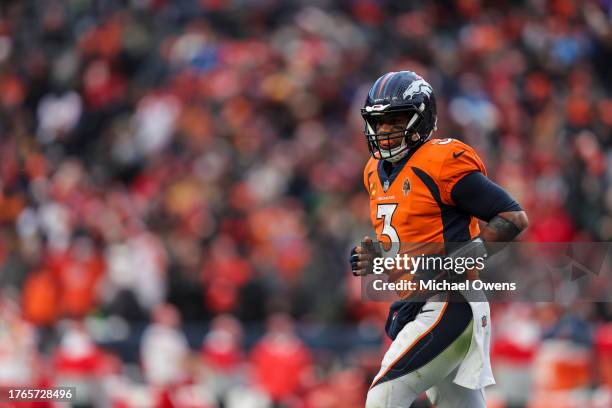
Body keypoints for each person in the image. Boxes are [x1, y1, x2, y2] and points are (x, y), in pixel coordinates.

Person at [350, 71, 529, 407]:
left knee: (384, 396)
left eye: (396, 120)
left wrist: (453, 263)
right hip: (419, 303)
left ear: (423, 118)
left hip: (450, 300)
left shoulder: (440, 161)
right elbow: (410, 237)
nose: (386, 130)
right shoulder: (373, 171)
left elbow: (512, 217)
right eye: (379, 122)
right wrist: (377, 254)